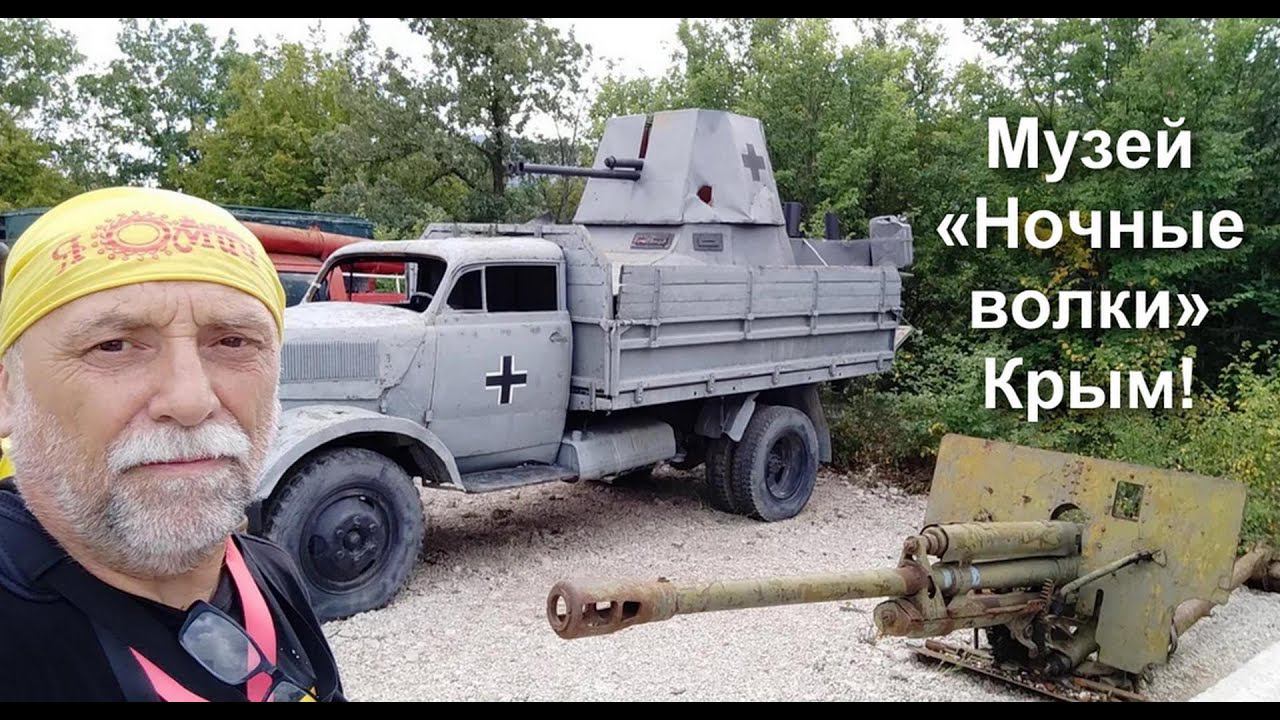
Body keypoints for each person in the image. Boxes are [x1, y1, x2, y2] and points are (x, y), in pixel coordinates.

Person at [0, 187, 344, 701]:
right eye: (113, 345)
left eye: (233, 341)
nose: (191, 400)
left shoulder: (270, 570)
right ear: (8, 392)